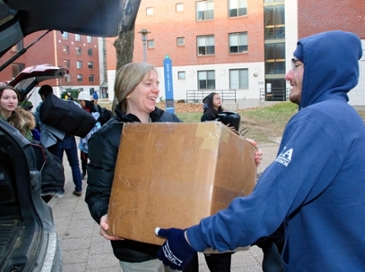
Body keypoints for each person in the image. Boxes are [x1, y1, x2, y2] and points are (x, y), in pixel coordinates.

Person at [155, 30, 365, 271]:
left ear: (323, 70)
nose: (288, 75)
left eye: (298, 65)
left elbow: (266, 204)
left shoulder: (320, 120)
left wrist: (190, 239)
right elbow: (289, 183)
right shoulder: (340, 116)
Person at [85, 62, 263, 272]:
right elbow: (98, 193)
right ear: (128, 90)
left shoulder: (170, 121)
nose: (156, 89)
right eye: (148, 83)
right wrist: (104, 216)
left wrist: (241, 154)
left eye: (157, 83)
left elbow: (202, 157)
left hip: (177, 241)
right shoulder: (107, 137)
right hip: (138, 250)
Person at [200, 92, 283, 272]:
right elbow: (206, 149)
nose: (219, 100)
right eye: (216, 98)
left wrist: (246, 152)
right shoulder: (206, 119)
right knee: (218, 253)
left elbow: (233, 144)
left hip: (231, 190)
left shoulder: (228, 115)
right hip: (212, 194)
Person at [35, 85, 83, 196]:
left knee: (58, 165)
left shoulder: (41, 107)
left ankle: (59, 188)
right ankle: (79, 187)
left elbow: (38, 122)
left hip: (55, 141)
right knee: (75, 165)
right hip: (70, 139)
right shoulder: (64, 103)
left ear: (42, 95)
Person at [77, 91, 101, 180]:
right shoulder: (80, 111)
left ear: (86, 101)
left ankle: (93, 173)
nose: (80, 103)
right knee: (83, 157)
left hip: (92, 138)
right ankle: (84, 172)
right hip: (84, 138)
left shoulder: (95, 111)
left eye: (81, 101)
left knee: (93, 158)